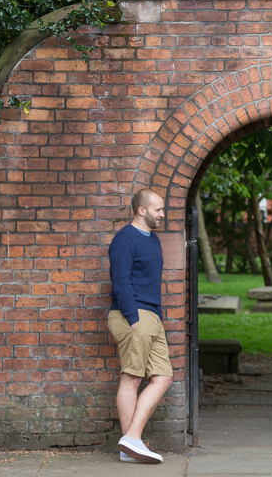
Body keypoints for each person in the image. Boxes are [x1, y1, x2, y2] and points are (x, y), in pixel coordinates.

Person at [108, 188, 173, 464]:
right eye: (158, 209)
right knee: (132, 378)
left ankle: (131, 440)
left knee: (163, 377)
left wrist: (151, 319)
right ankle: (130, 444)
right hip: (133, 315)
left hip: (152, 317)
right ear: (141, 210)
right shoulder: (124, 239)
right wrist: (133, 318)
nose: (163, 214)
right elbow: (121, 282)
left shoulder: (153, 240)